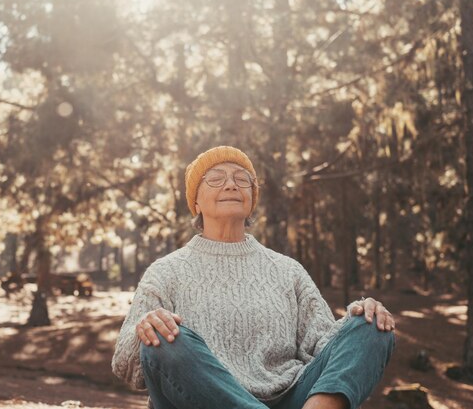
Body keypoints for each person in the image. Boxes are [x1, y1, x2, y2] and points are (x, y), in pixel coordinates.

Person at [112, 146, 395, 409]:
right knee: (163, 335)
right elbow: (126, 365)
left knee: (373, 324)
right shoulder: (166, 271)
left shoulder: (288, 270)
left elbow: (322, 348)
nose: (231, 184)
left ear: (251, 200)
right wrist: (145, 328)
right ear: (195, 200)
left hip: (291, 398)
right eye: (216, 178)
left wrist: (358, 321)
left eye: (242, 179)